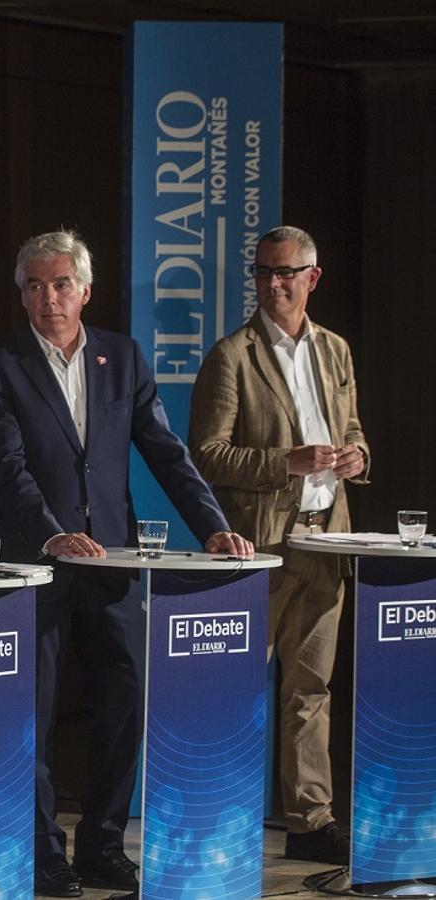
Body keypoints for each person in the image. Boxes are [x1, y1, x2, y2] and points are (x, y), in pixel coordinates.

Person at [0, 230, 253, 897]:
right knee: (29, 714)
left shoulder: (120, 358)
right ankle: (41, 855)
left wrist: (212, 528)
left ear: (84, 291)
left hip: (113, 566)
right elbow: (5, 467)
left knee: (123, 701)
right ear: (21, 295)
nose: (48, 298)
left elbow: (165, 451)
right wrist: (52, 535)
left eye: (60, 284)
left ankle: (101, 845)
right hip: (34, 566)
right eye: (33, 286)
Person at [189, 226, 368, 864]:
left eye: (286, 272)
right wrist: (284, 461)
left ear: (311, 278)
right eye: (264, 272)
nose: (273, 283)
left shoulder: (336, 351)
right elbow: (207, 455)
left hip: (328, 540)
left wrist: (356, 457)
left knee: (310, 690)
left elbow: (352, 429)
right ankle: (216, 815)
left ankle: (309, 822)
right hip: (262, 546)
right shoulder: (231, 355)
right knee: (237, 687)